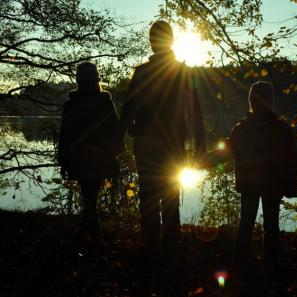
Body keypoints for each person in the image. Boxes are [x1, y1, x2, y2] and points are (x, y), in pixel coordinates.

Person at [120, 20, 206, 257]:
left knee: (148, 196)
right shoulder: (183, 73)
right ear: (171, 41)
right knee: (170, 196)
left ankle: (151, 246)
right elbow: (195, 112)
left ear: (152, 42)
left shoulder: (141, 73)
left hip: (146, 145)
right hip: (174, 146)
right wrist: (200, 146)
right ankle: (170, 245)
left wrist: (119, 136)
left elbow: (129, 110)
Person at [214, 81, 297, 277]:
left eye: (256, 99)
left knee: (249, 223)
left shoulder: (244, 128)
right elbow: (291, 161)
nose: (256, 102)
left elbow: (290, 160)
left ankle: (243, 263)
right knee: (268, 226)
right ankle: (266, 266)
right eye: (255, 99)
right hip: (268, 185)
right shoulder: (277, 128)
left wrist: (200, 159)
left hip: (253, 184)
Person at [57, 62, 121, 246]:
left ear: (78, 81)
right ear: (96, 80)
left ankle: (88, 236)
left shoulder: (72, 104)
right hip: (100, 158)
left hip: (79, 159)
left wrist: (63, 159)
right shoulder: (105, 102)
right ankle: (93, 238)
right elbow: (115, 131)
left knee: (89, 196)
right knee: (90, 196)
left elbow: (65, 135)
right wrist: (113, 155)